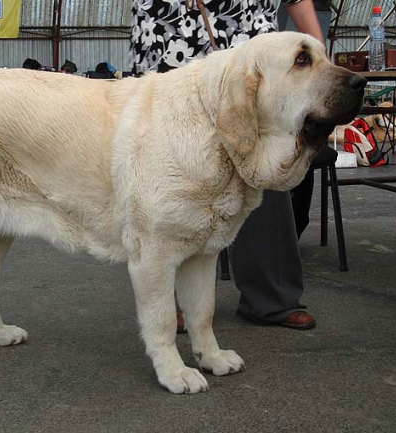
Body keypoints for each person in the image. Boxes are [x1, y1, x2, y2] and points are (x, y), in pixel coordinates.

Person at [130, 0, 326, 330]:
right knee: (174, 175)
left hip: (255, 48)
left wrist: (319, 55)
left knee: (265, 162)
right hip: (175, 37)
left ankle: (272, 297)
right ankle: (169, 303)